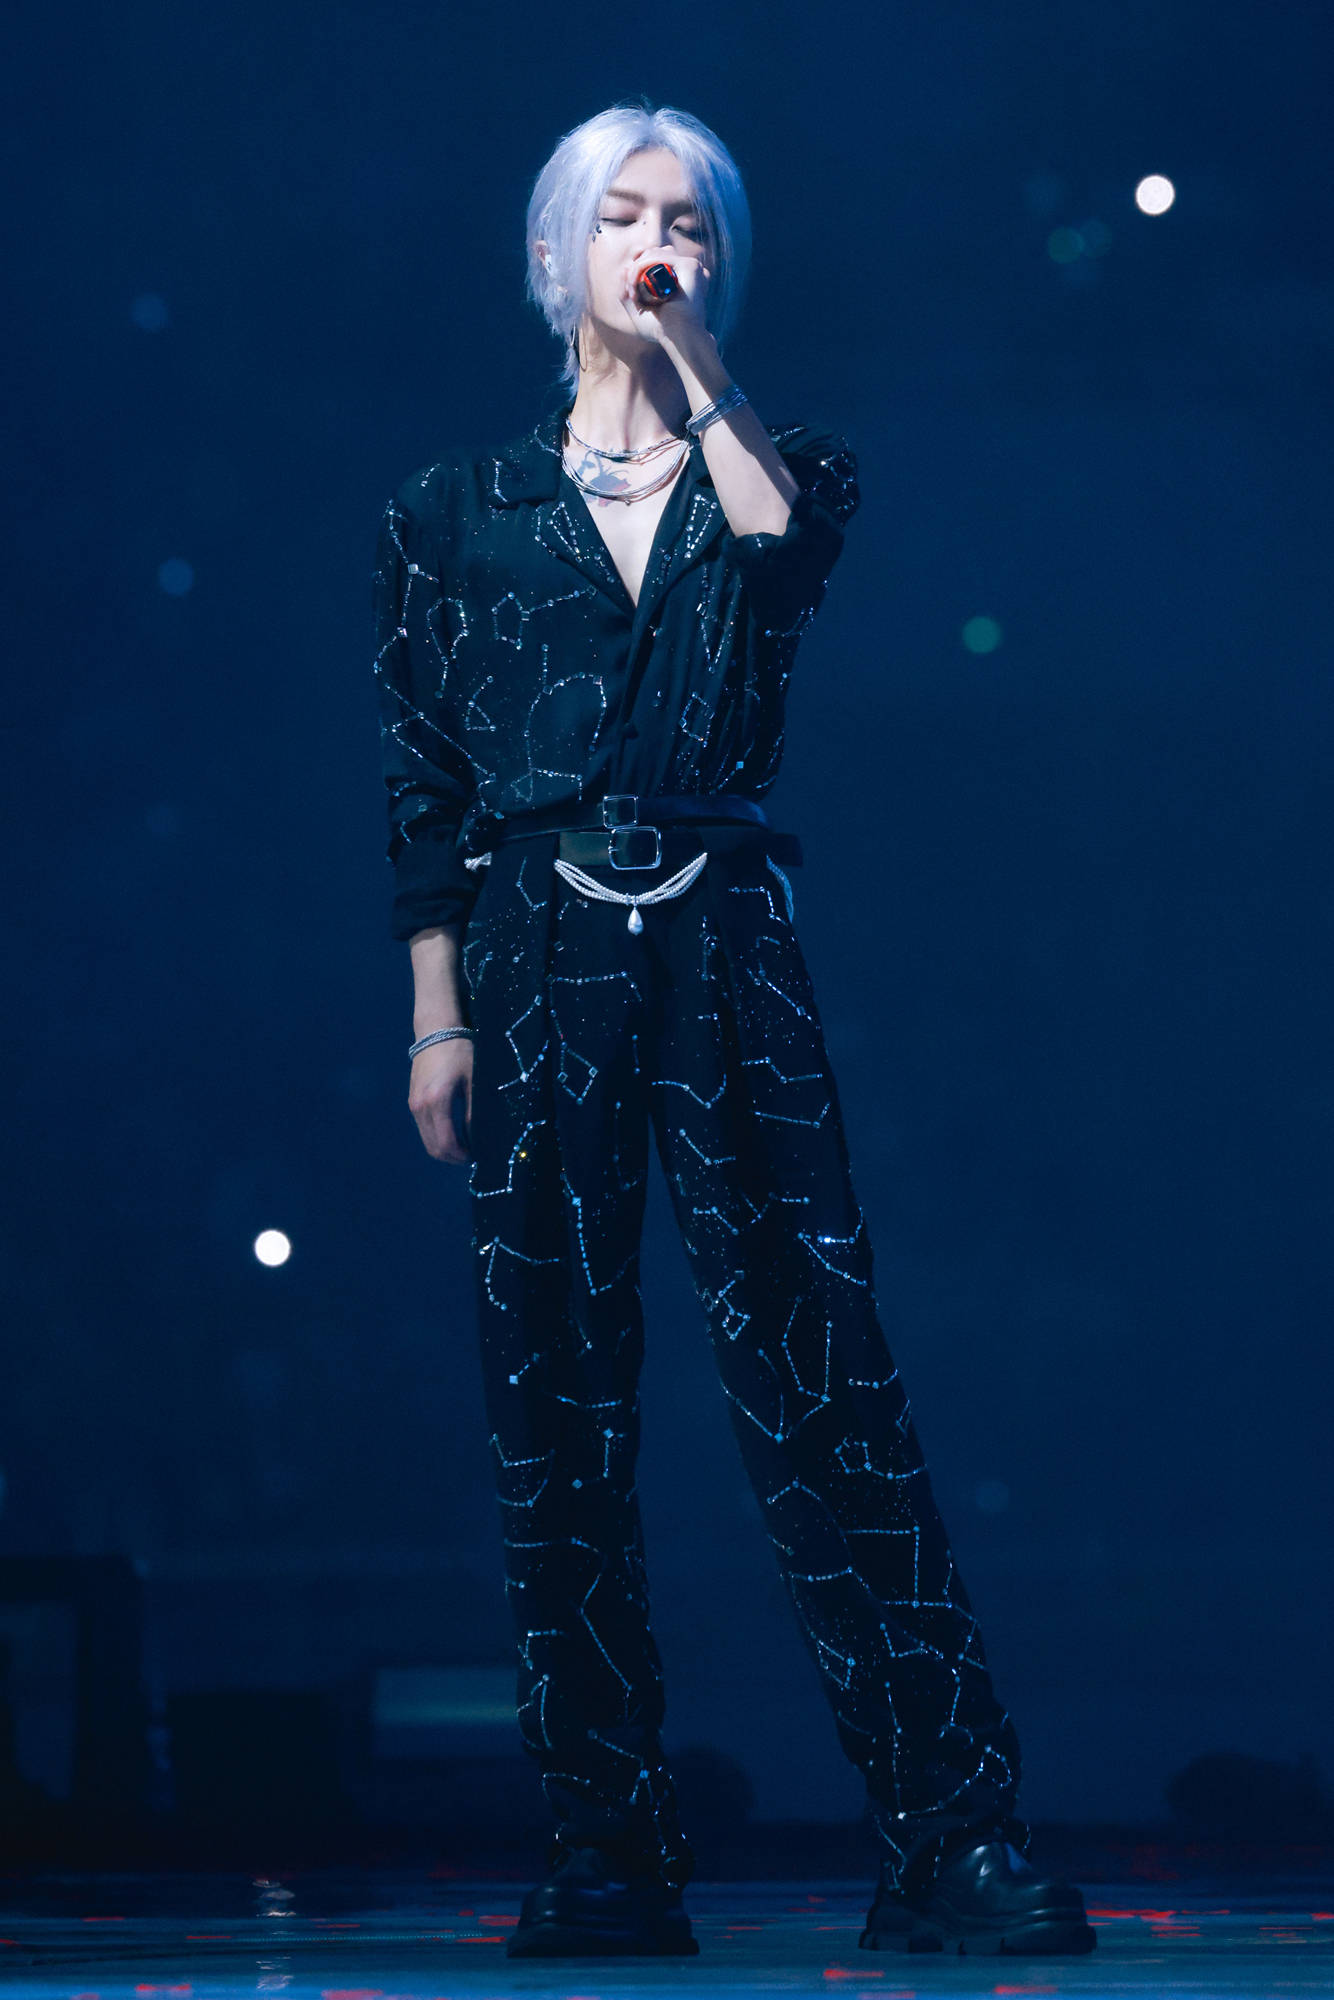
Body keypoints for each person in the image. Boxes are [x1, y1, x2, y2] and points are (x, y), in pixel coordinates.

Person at [372, 100, 1095, 1962]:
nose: (653, 243)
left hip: (723, 940)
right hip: (534, 947)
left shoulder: (777, 464)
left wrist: (695, 366)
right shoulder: (450, 510)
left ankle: (950, 1837)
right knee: (555, 1401)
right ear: (555, 249)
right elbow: (424, 780)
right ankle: (607, 1849)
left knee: (822, 1373)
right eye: (622, 215)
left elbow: (771, 555)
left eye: (685, 221)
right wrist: (437, 1019)